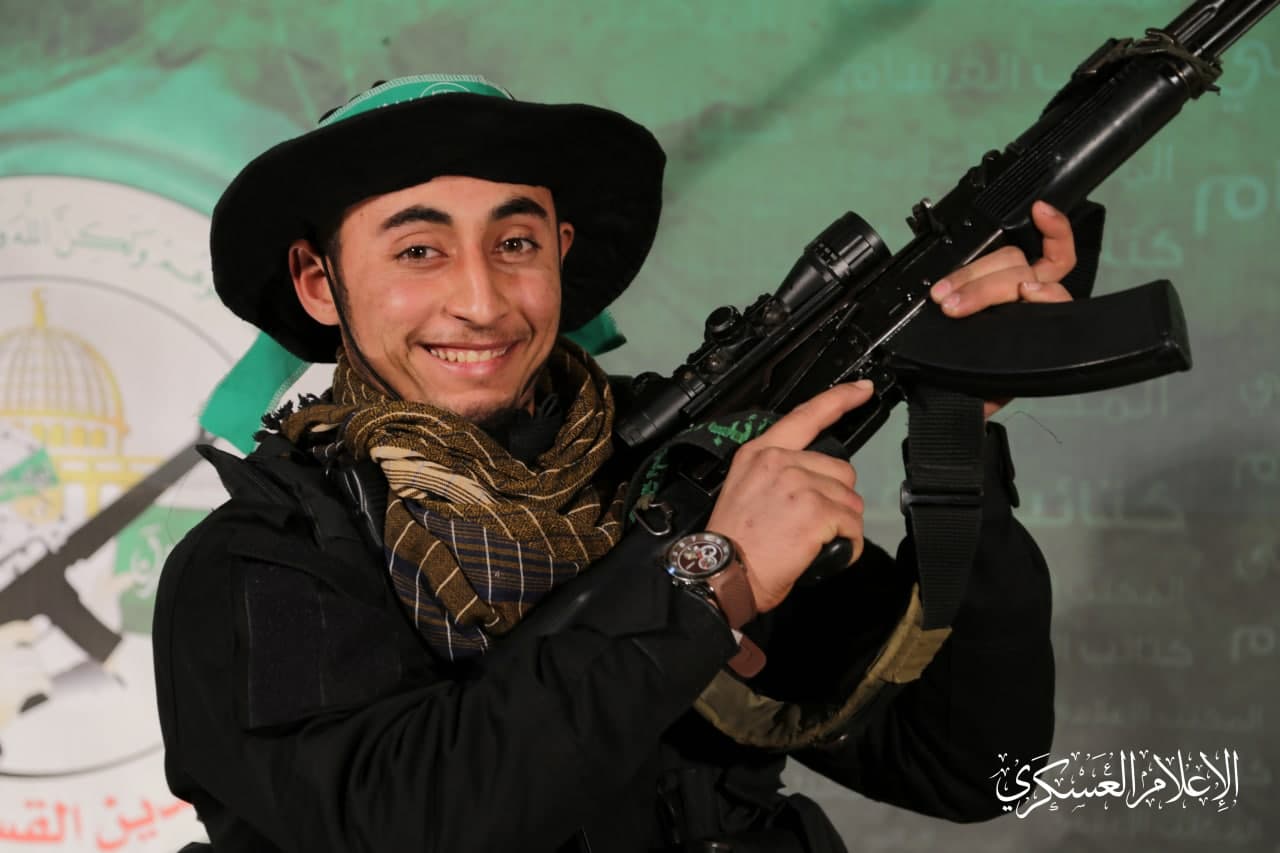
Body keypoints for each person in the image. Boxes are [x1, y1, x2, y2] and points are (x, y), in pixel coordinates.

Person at [154, 74, 1081, 852]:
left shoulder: (678, 479)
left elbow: (966, 764)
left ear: (559, 254)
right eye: (419, 250)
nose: (481, 300)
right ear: (320, 283)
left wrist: (954, 424)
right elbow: (409, 818)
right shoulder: (261, 561)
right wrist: (708, 584)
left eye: (515, 243)